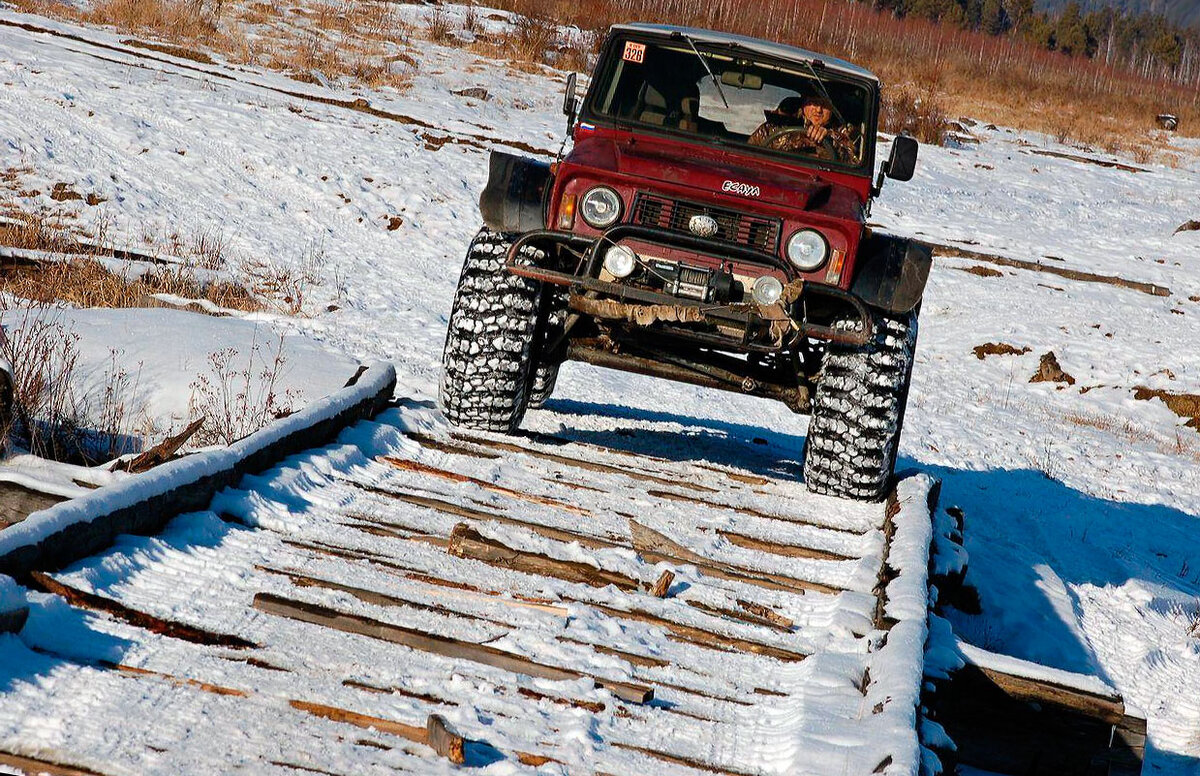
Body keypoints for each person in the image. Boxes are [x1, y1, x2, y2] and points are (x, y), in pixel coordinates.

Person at [748, 94, 856, 162]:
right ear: (804, 104)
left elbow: (852, 165)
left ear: (832, 109)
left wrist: (828, 139)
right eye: (814, 102)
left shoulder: (842, 136)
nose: (818, 110)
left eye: (825, 104)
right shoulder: (773, 128)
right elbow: (748, 156)